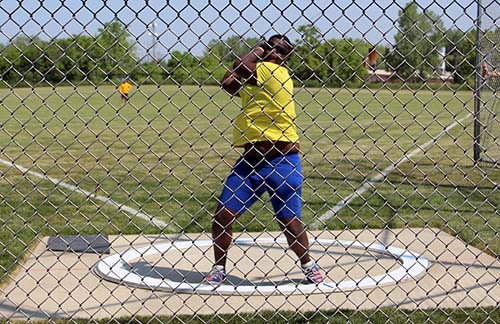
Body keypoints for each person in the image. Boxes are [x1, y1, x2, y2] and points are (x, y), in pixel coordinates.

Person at [205, 34, 324, 285]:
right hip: (250, 162)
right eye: (273, 47)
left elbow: (239, 67)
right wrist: (259, 53)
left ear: (286, 58)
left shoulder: (276, 73)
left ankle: (308, 265)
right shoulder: (256, 79)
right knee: (223, 216)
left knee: (289, 221)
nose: (275, 52)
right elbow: (227, 82)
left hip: (283, 160)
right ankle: (219, 268)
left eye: (281, 50)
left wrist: (259, 49)